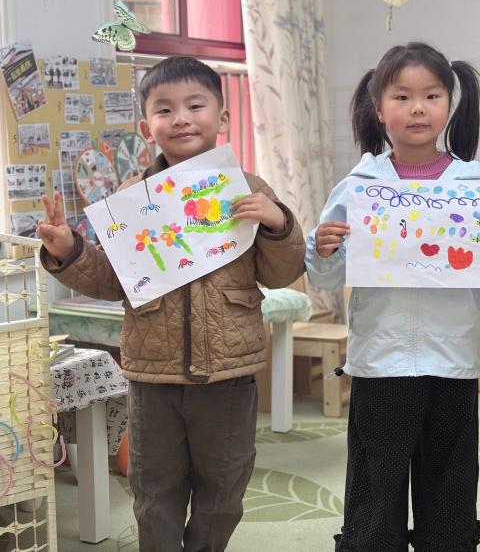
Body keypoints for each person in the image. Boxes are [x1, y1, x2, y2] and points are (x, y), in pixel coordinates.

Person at [36, 56, 306, 551]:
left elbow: (280, 272)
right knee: (154, 490)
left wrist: (278, 223)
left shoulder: (250, 189)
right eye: (164, 109)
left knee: (224, 489)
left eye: (195, 105)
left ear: (223, 117)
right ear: (147, 128)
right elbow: (114, 279)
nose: (180, 118)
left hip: (228, 373)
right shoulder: (131, 197)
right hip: (152, 376)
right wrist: (69, 251)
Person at [307, 41, 480, 551]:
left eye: (431, 96)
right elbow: (326, 276)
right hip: (380, 360)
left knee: (450, 487)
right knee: (375, 490)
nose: (417, 108)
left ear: (449, 105)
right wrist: (323, 249)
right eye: (402, 96)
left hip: (452, 360)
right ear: (378, 108)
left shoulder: (473, 185)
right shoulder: (360, 184)